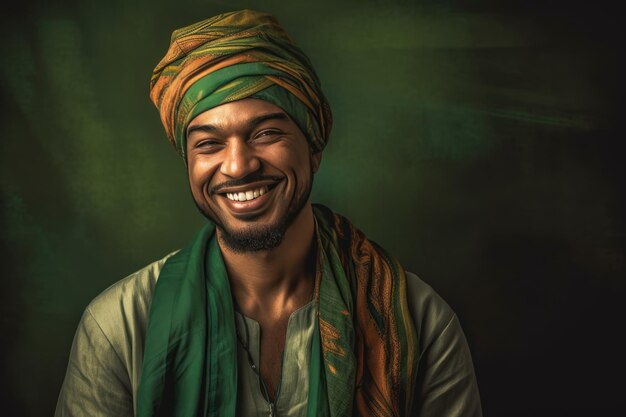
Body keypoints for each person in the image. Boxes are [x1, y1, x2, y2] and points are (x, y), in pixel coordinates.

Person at [55, 9, 482, 417]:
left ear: (314, 148)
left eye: (266, 133)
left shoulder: (417, 323)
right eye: (209, 143)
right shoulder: (120, 327)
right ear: (188, 161)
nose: (238, 166)